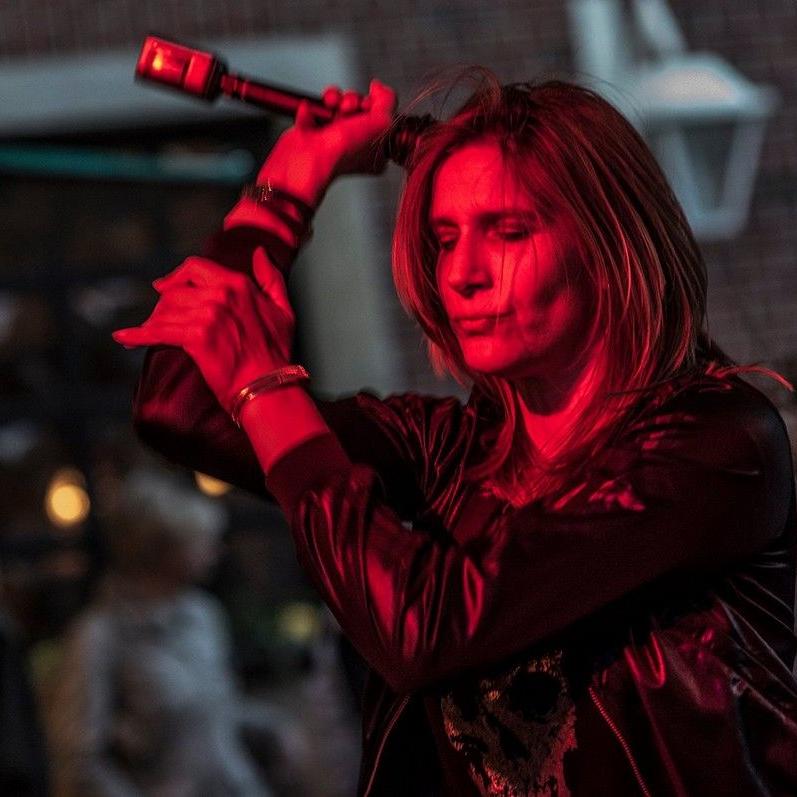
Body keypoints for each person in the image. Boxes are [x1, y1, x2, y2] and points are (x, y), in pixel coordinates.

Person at [114, 74, 797, 795]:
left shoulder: (714, 444)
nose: (462, 274)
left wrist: (266, 385)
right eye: (444, 238)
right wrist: (290, 180)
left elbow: (430, 627)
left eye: (508, 231)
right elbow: (181, 408)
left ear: (607, 240)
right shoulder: (450, 449)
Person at [48, 469, 274, 796]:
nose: (215, 551)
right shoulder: (99, 637)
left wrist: (278, 731)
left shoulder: (202, 615)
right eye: (200, 540)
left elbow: (215, 715)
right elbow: (79, 761)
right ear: (161, 549)